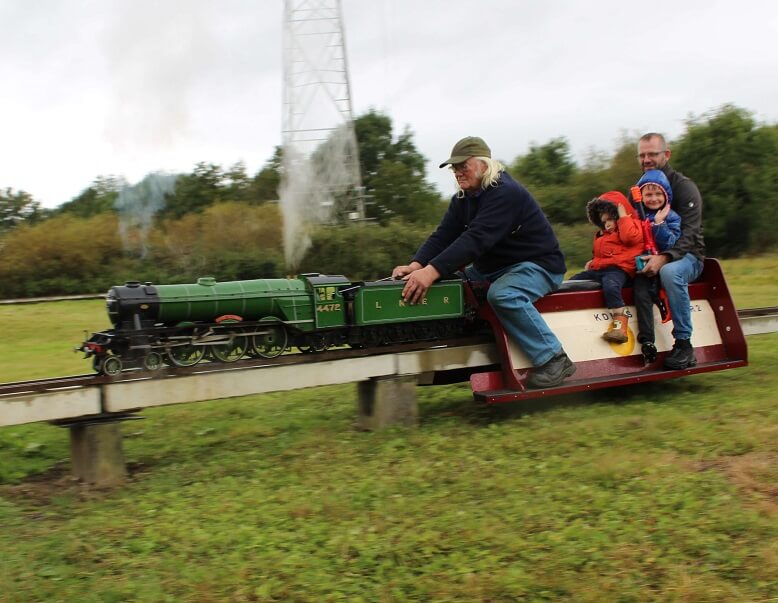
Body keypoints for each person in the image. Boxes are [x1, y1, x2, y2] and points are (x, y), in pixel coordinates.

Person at [391, 136, 575, 389]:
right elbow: (444, 234)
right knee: (454, 286)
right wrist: (416, 265)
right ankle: (467, 352)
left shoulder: (506, 193)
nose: (457, 172)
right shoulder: (463, 199)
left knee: (503, 295)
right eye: (454, 168)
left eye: (462, 166)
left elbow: (475, 239)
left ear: (484, 164)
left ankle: (554, 358)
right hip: (494, 268)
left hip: (538, 266)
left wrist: (431, 271)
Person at [634, 133, 705, 369]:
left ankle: (684, 344)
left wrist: (664, 259)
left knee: (670, 273)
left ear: (666, 154)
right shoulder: (638, 190)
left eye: (652, 154)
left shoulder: (685, 188)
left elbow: (691, 235)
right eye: (642, 155)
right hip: (650, 254)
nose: (646, 159)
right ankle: (642, 343)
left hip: (688, 257)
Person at [568, 191, 644, 344]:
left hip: (619, 269)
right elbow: (601, 254)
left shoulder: (631, 225)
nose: (607, 224)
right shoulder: (602, 234)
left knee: (611, 287)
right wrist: (593, 262)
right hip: (600, 269)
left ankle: (619, 325)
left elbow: (630, 239)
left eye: (610, 219)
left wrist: (623, 218)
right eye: (604, 221)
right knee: (573, 282)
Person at [632, 169, 682, 362]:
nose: (653, 198)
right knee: (640, 292)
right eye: (648, 194)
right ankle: (647, 341)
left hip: (662, 267)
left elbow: (671, 245)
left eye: (658, 194)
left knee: (659, 294)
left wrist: (659, 224)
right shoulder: (635, 216)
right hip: (642, 268)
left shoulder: (672, 217)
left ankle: (674, 334)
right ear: (641, 196)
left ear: (666, 195)